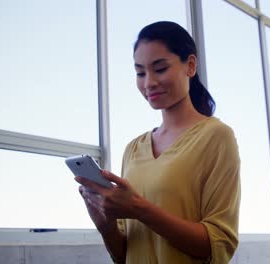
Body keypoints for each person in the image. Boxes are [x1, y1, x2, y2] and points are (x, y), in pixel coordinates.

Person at [75, 21, 241, 264]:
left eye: (160, 69)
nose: (148, 82)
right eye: (140, 72)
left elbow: (217, 244)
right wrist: (106, 225)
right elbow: (124, 256)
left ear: (191, 66)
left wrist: (139, 209)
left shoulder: (217, 137)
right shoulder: (133, 149)